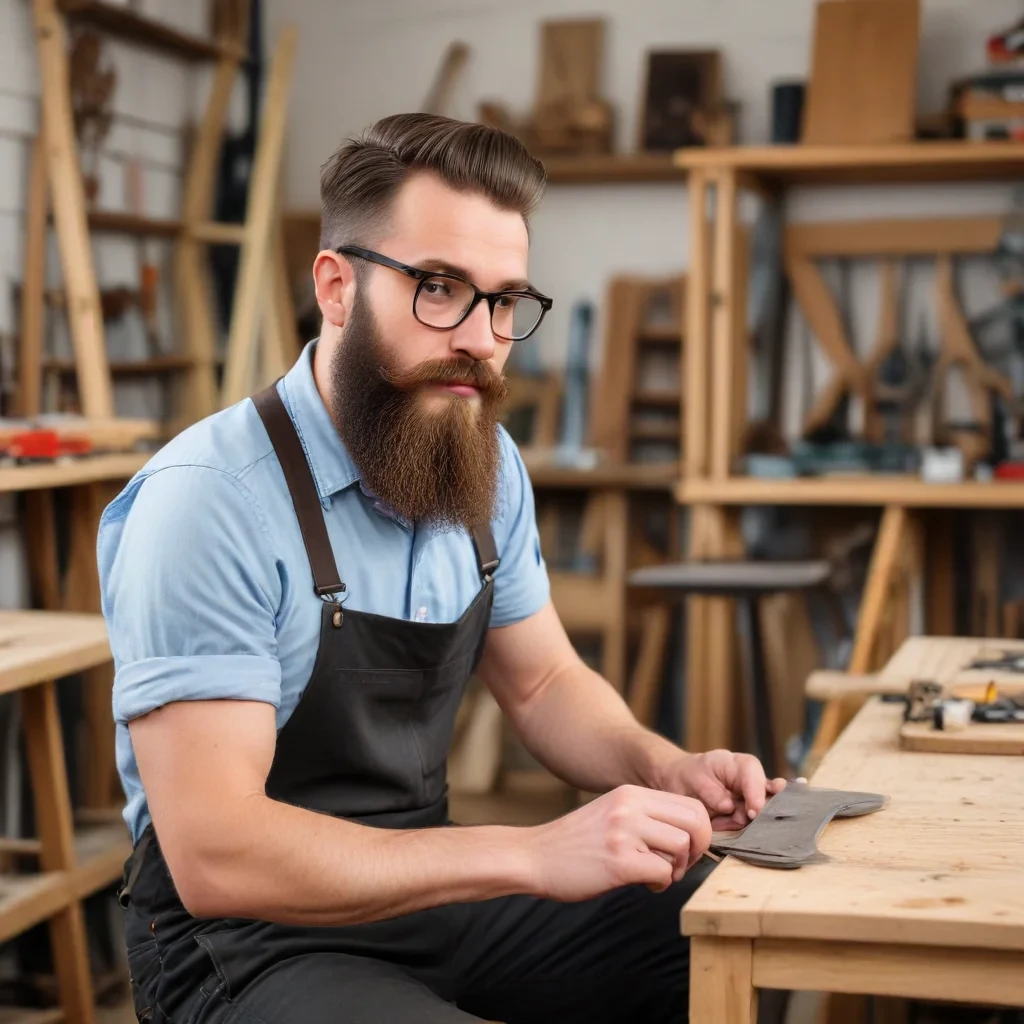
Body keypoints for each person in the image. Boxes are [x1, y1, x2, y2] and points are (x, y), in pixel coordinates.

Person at [99, 113, 784, 1024]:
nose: (480, 337)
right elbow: (220, 855)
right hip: (244, 942)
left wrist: (663, 768)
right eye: (439, 288)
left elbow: (541, 683)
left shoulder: (483, 467)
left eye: (503, 301)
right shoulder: (211, 499)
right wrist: (534, 853)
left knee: (723, 932)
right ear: (336, 288)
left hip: (419, 893)